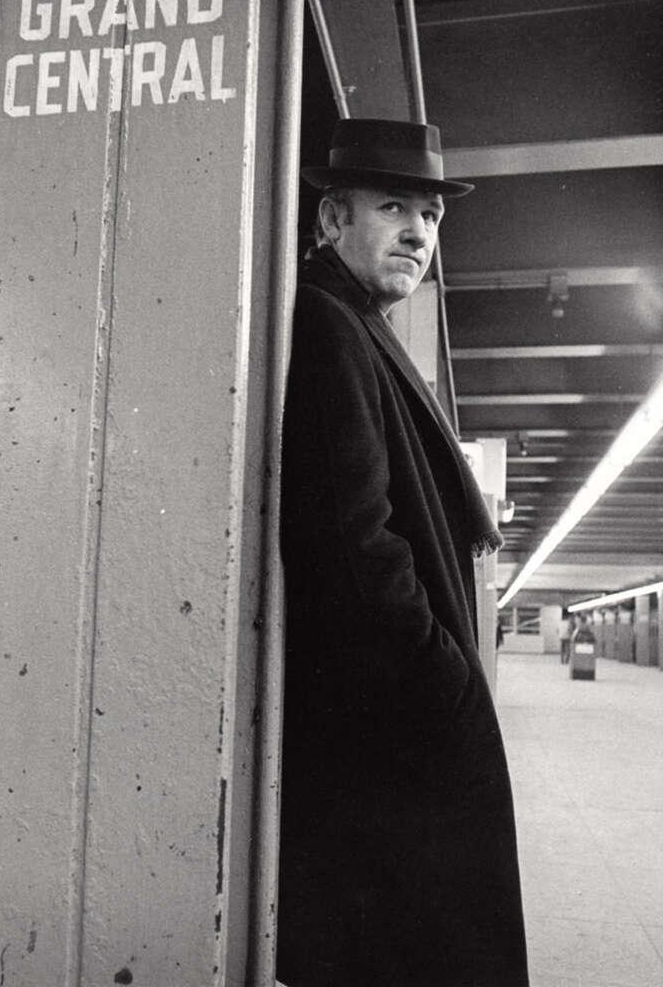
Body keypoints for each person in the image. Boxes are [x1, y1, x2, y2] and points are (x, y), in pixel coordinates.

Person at [277, 119, 529, 987]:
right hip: (393, 730)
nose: (419, 232)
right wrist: (443, 681)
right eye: (393, 207)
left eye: (430, 214)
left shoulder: (357, 323)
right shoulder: (325, 322)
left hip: (393, 724)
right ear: (329, 220)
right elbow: (352, 539)